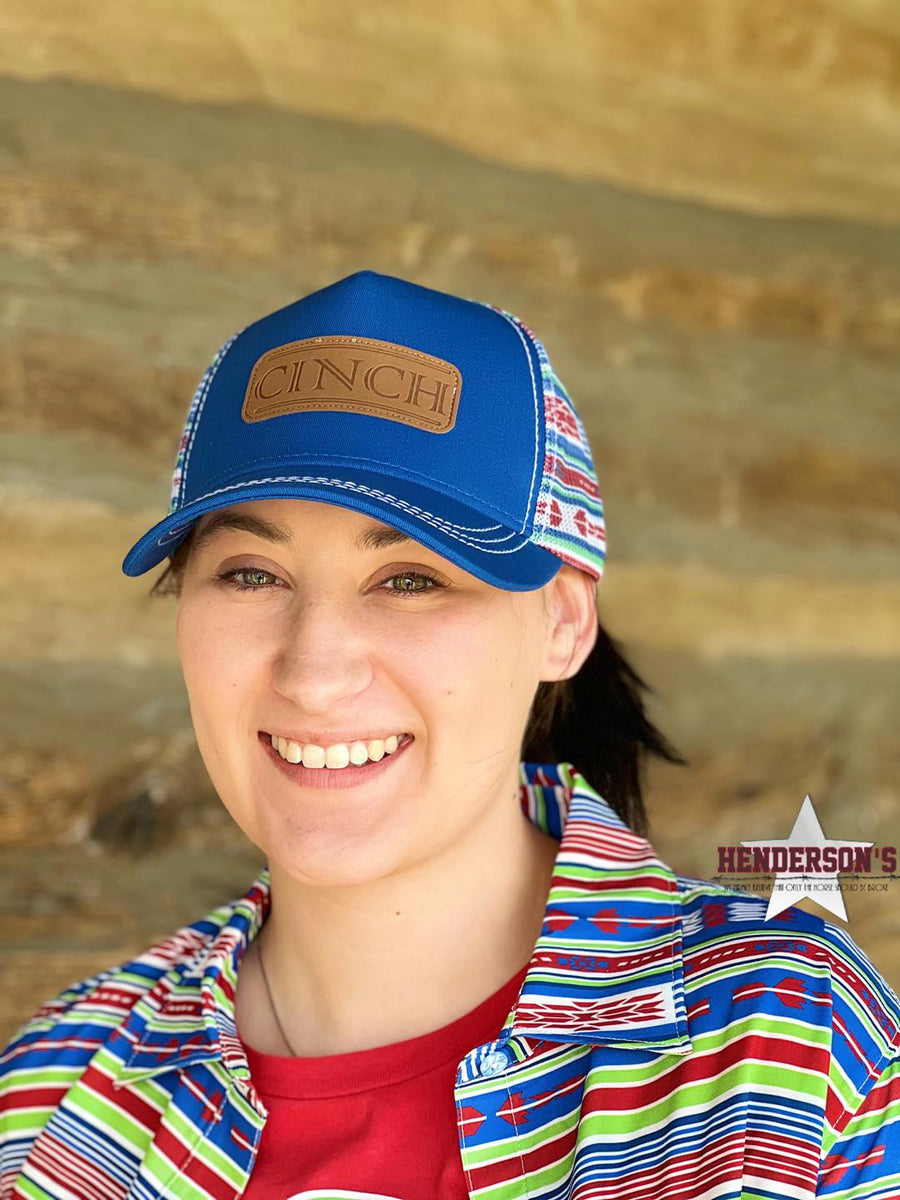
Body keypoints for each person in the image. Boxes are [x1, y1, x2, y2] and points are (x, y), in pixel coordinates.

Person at [1, 270, 897, 1200]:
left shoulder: (779, 1046)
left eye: (411, 579)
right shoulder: (55, 1093)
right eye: (252, 574)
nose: (314, 672)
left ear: (561, 621)